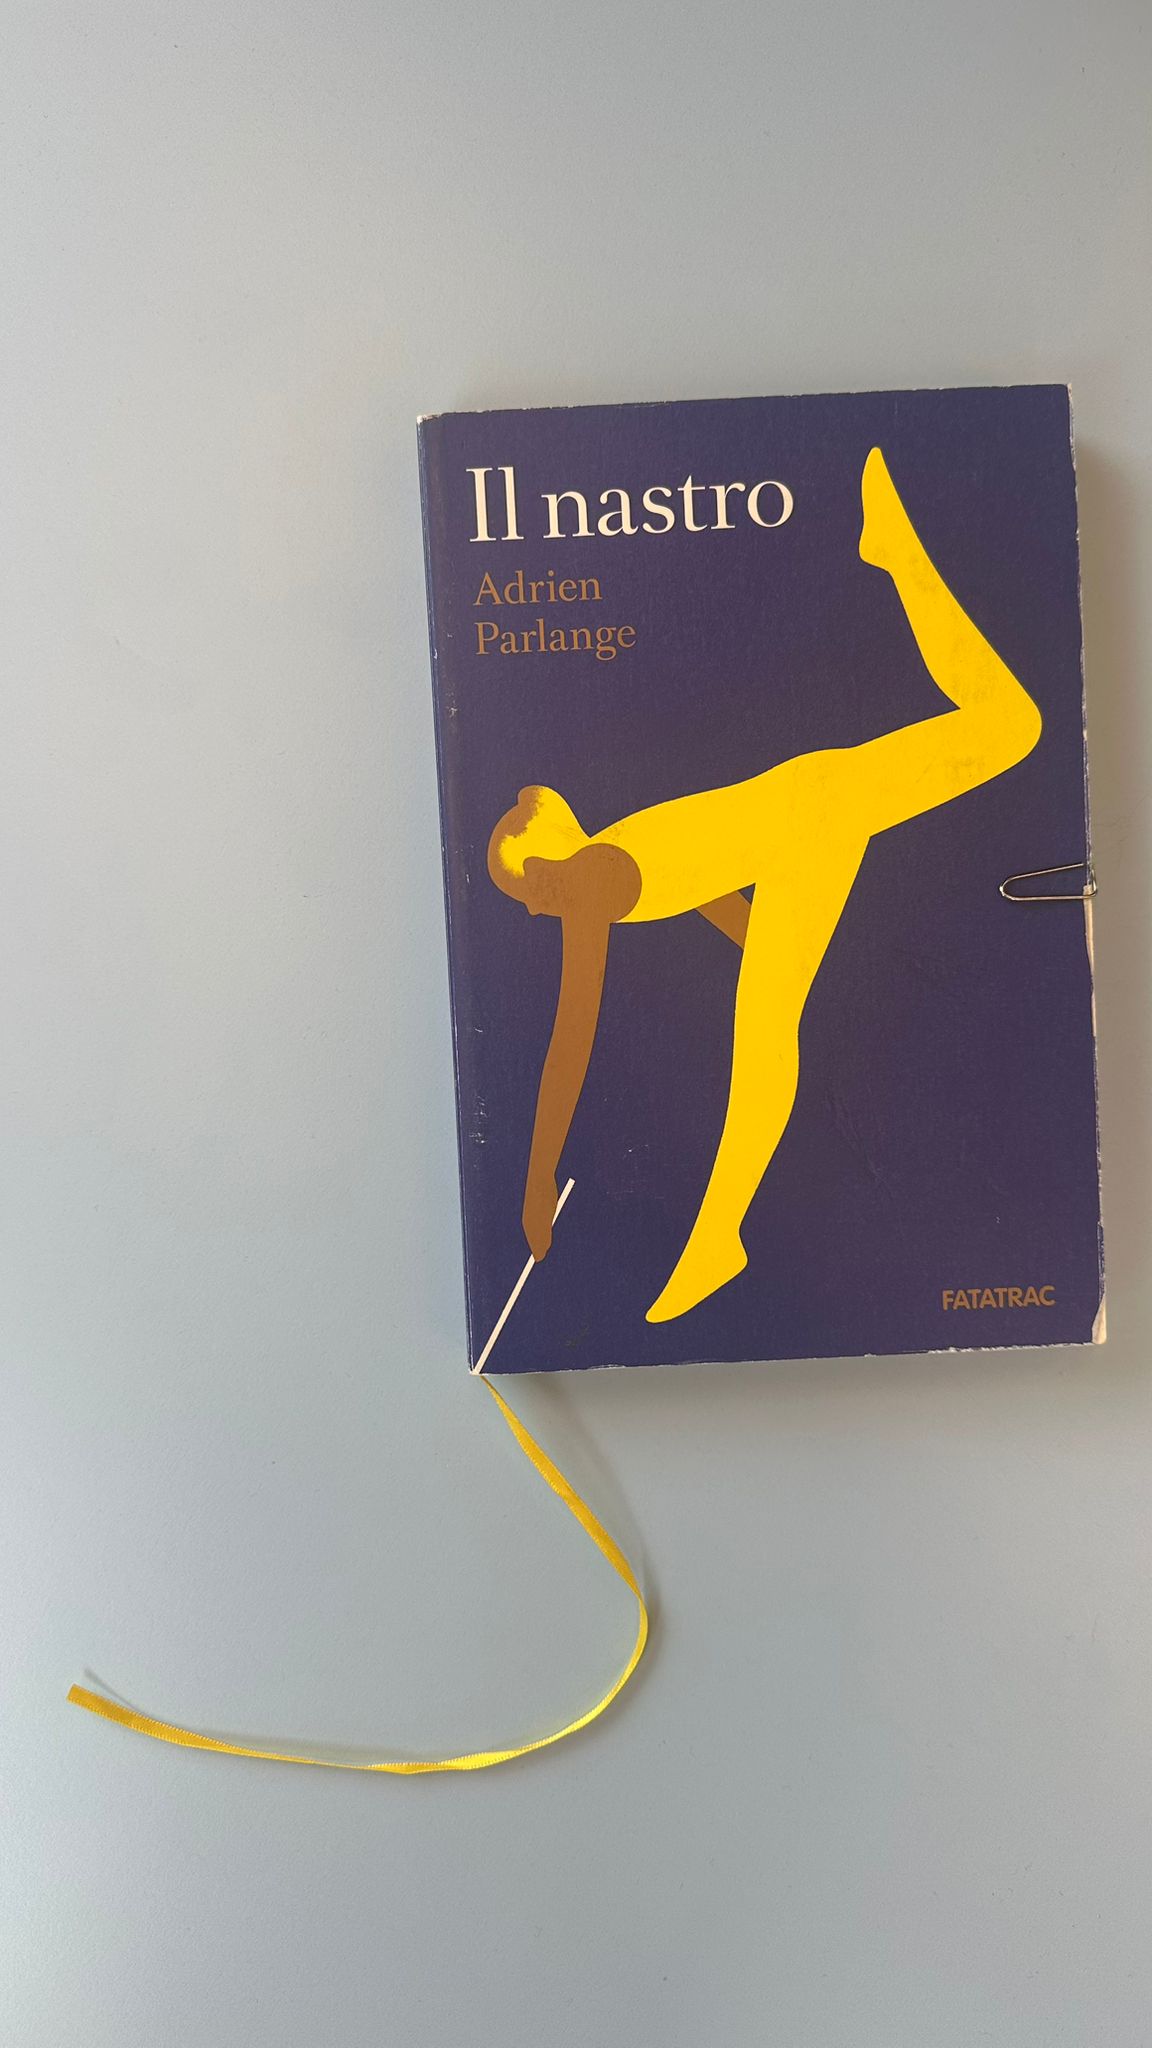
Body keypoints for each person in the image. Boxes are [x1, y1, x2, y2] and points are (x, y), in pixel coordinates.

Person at [487, 447, 1043, 1323]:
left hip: (812, 809)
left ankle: (897, 559)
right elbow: (705, 878)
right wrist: (764, 944)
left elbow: (573, 1032)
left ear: (549, 845)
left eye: (532, 885)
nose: (538, 904)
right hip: (797, 833)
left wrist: (535, 1180)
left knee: (1010, 723)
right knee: (767, 1033)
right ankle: (719, 1239)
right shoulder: (620, 851)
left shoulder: (591, 875)